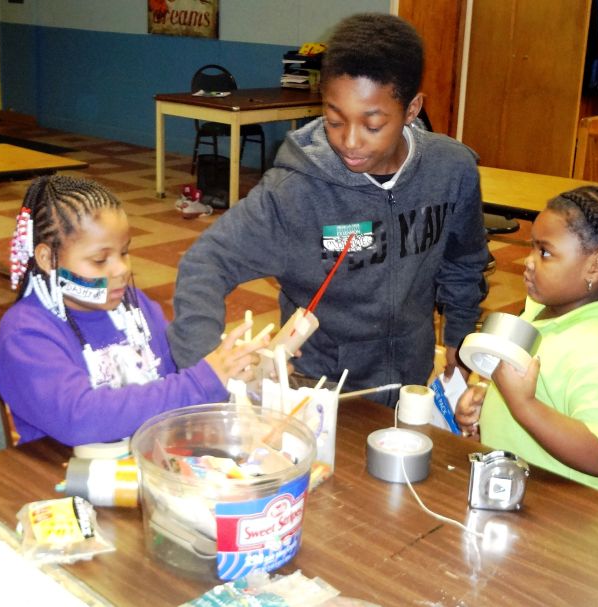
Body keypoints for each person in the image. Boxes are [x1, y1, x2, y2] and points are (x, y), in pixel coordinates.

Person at [167, 13, 488, 403]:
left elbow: (464, 259)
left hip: (411, 380)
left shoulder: (451, 170)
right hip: (318, 387)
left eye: (372, 125)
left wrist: (458, 334)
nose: (349, 141)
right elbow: (207, 262)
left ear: (411, 109)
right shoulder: (296, 190)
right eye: (335, 120)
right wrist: (206, 368)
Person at [0, 175, 266, 446]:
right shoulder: (25, 334)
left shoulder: (135, 307)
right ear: (46, 259)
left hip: (151, 459)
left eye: (124, 252)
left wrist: (239, 371)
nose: (122, 269)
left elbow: (174, 377)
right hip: (67, 474)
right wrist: (203, 381)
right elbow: (80, 418)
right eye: (100, 260)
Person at [455, 186, 598, 502]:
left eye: (544, 252)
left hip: (577, 515)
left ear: (597, 267)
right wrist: (487, 401)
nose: (528, 262)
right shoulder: (538, 310)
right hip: (526, 492)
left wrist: (523, 405)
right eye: (532, 247)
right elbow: (536, 388)